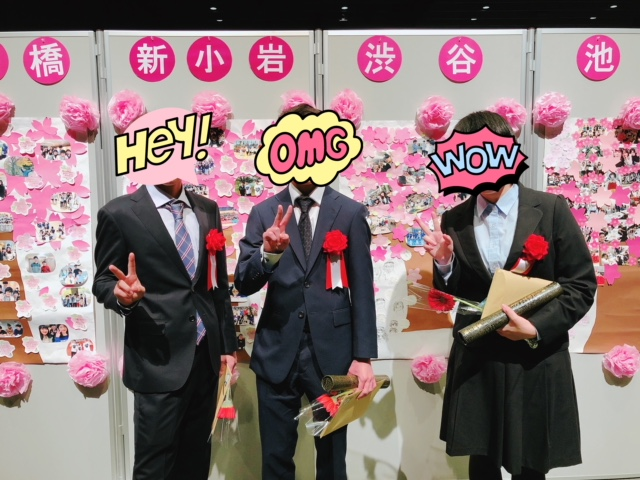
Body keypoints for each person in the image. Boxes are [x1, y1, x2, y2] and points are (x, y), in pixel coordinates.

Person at [416, 111, 597, 480]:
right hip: (477, 361)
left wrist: (535, 328)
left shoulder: (551, 209)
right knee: (481, 466)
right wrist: (445, 263)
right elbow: (450, 295)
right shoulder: (454, 219)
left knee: (531, 467)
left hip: (534, 359)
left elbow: (580, 284)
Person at [234, 103, 378, 480]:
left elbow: (363, 289)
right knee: (275, 460)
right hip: (277, 351)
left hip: (333, 354)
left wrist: (363, 356)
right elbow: (244, 283)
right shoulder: (264, 212)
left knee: (332, 461)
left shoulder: (350, 213)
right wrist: (268, 254)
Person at [92, 177, 238, 480]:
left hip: (206, 357)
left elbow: (218, 284)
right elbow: (103, 281)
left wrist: (227, 346)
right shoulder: (119, 213)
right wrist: (122, 295)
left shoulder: (207, 208)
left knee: (196, 460)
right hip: (156, 359)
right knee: (154, 466)